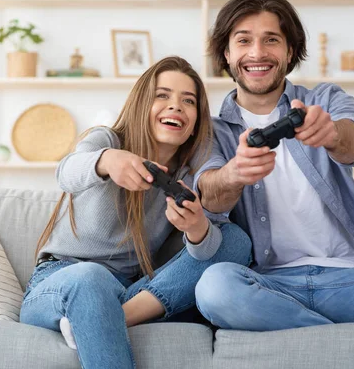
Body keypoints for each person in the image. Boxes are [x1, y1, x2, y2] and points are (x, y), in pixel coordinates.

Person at [193, 0, 354, 369]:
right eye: (244, 40)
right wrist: (234, 173)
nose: (257, 53)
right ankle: (332, 331)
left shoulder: (324, 99)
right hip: (271, 285)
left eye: (271, 39)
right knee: (213, 286)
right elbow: (208, 193)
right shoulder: (211, 130)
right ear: (226, 53)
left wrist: (333, 135)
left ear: (290, 51)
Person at [19, 56, 252, 369]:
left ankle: (107, 316)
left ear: (196, 118)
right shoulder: (107, 141)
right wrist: (107, 161)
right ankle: (100, 313)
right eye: (162, 95)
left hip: (129, 290)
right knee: (90, 278)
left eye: (188, 100)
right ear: (142, 103)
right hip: (61, 281)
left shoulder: (190, 170)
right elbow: (66, 172)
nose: (176, 106)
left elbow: (212, 248)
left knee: (234, 239)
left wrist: (197, 230)